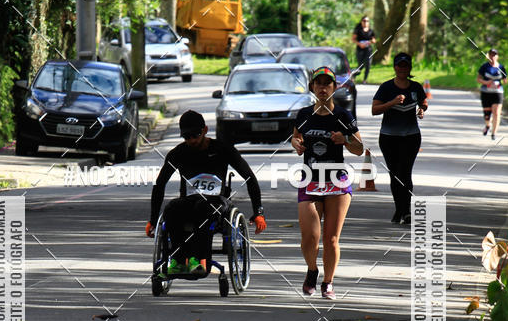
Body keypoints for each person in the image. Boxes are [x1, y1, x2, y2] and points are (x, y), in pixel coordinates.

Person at [146, 110, 266, 275]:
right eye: (186, 137)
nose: (191, 140)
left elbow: (249, 178)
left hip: (216, 201)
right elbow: (160, 184)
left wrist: (258, 212)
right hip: (189, 201)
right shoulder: (178, 153)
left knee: (202, 207)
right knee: (171, 208)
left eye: (195, 135)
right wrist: (153, 220)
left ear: (205, 130)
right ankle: (178, 261)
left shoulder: (222, 149)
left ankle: (199, 260)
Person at [292, 66, 364, 299]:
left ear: (334, 87)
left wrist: (345, 139)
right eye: (319, 83)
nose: (323, 88)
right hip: (310, 179)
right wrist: (296, 144)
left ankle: (328, 282)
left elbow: (359, 149)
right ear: (312, 87)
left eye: (327, 84)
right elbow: (296, 137)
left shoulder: (344, 116)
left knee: (331, 239)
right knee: (309, 237)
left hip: (336, 181)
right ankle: (312, 270)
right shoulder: (304, 114)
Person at [372, 52, 428, 225]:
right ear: (395, 67)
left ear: (410, 68)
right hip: (389, 137)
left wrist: (421, 109)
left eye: (406, 66)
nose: (402, 69)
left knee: (405, 172)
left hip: (411, 137)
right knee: (395, 174)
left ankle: (407, 211)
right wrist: (393, 102)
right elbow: (374, 110)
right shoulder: (386, 87)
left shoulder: (416, 87)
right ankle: (399, 209)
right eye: (399, 66)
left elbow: (424, 102)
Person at [477, 48, 507, 141]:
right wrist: (487, 82)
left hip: (498, 92)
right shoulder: (484, 67)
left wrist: (504, 81)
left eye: (494, 55)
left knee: (496, 113)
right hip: (486, 92)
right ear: (488, 56)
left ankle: (494, 133)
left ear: (497, 56)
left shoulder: (501, 67)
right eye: (491, 55)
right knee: (487, 114)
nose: (493, 56)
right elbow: (478, 79)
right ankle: (487, 125)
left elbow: (505, 79)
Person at [352, 15, 376, 83]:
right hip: (360, 50)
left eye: (367, 21)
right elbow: (353, 39)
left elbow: (374, 40)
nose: (365, 22)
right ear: (361, 22)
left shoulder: (371, 31)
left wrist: (371, 41)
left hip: (368, 50)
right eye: (364, 21)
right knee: (361, 65)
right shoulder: (358, 30)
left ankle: (365, 80)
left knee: (368, 64)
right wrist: (360, 44)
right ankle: (353, 76)